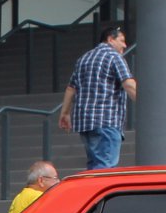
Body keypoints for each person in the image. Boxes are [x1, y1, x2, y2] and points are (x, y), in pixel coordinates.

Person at [59, 25, 137, 170]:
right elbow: (128, 84)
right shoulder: (114, 57)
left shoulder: (83, 59)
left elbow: (71, 88)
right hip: (106, 121)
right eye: (122, 40)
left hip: (85, 123)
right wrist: (146, 104)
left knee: (94, 167)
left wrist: (65, 113)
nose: (125, 45)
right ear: (110, 39)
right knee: (105, 168)